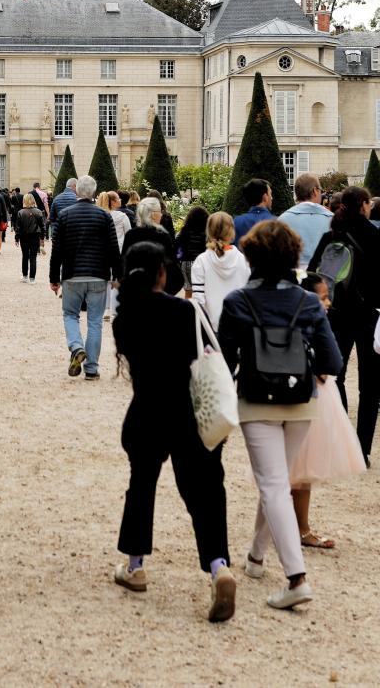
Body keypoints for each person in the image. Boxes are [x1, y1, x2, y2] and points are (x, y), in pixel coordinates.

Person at [218, 220, 342, 610]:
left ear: (252, 257)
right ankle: (256, 556)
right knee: (276, 482)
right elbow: (332, 360)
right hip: (301, 402)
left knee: (273, 485)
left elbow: (223, 360)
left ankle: (296, 578)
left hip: (256, 400)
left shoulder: (237, 302)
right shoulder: (308, 302)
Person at [112, 241, 235, 623]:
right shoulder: (185, 310)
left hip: (147, 409)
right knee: (204, 490)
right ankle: (218, 566)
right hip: (187, 411)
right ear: (161, 273)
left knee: (142, 486)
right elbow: (212, 355)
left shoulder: (124, 318)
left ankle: (135, 565)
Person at [288, 274, 366, 551]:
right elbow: (333, 361)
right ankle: (302, 529)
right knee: (302, 469)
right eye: (323, 297)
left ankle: (289, 526)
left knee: (294, 470)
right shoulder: (315, 321)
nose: (328, 302)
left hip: (307, 393)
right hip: (313, 395)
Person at [307, 185, 380, 465]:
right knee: (370, 386)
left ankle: (344, 438)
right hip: (369, 315)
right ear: (363, 204)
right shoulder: (375, 236)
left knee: (334, 375)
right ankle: (361, 448)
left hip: (336, 314)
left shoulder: (331, 235)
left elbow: (314, 275)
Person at [49, 175, 121, 380]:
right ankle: (91, 368)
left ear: (77, 191)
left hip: (72, 275)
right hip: (98, 275)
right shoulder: (104, 216)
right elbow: (113, 249)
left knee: (70, 315)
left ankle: (76, 346)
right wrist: (118, 275)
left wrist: (54, 278)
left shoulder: (64, 215)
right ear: (94, 192)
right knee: (95, 322)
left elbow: (57, 251)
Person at [190, 212, 250, 329]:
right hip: (238, 326)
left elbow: (199, 301)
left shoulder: (201, 261)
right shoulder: (243, 260)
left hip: (211, 328)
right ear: (231, 232)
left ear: (209, 231)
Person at [121, 198, 185, 295]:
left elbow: (124, 263)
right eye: (160, 211)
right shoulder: (162, 236)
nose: (161, 214)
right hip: (159, 289)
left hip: (136, 290)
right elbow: (172, 264)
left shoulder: (131, 235)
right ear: (153, 214)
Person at [279, 173, 333, 270]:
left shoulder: (282, 219)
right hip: (324, 275)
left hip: (292, 276)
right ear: (315, 191)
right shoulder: (332, 219)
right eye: (320, 190)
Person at [173, 206, 209, 297]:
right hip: (201, 263)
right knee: (202, 291)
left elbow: (175, 244)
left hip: (186, 262)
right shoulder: (206, 233)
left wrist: (178, 258)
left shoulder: (184, 231)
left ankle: (188, 309)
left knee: (188, 291)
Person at [14, 193, 46, 283]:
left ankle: (25, 276)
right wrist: (42, 238)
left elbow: (18, 227)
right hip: (35, 236)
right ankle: (32, 278)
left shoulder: (21, 212)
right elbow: (42, 226)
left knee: (25, 256)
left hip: (24, 236)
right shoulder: (38, 212)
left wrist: (16, 238)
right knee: (33, 257)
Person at [233, 178, 275, 246]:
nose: (272, 198)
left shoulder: (236, 222)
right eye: (270, 194)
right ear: (265, 197)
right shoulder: (276, 223)